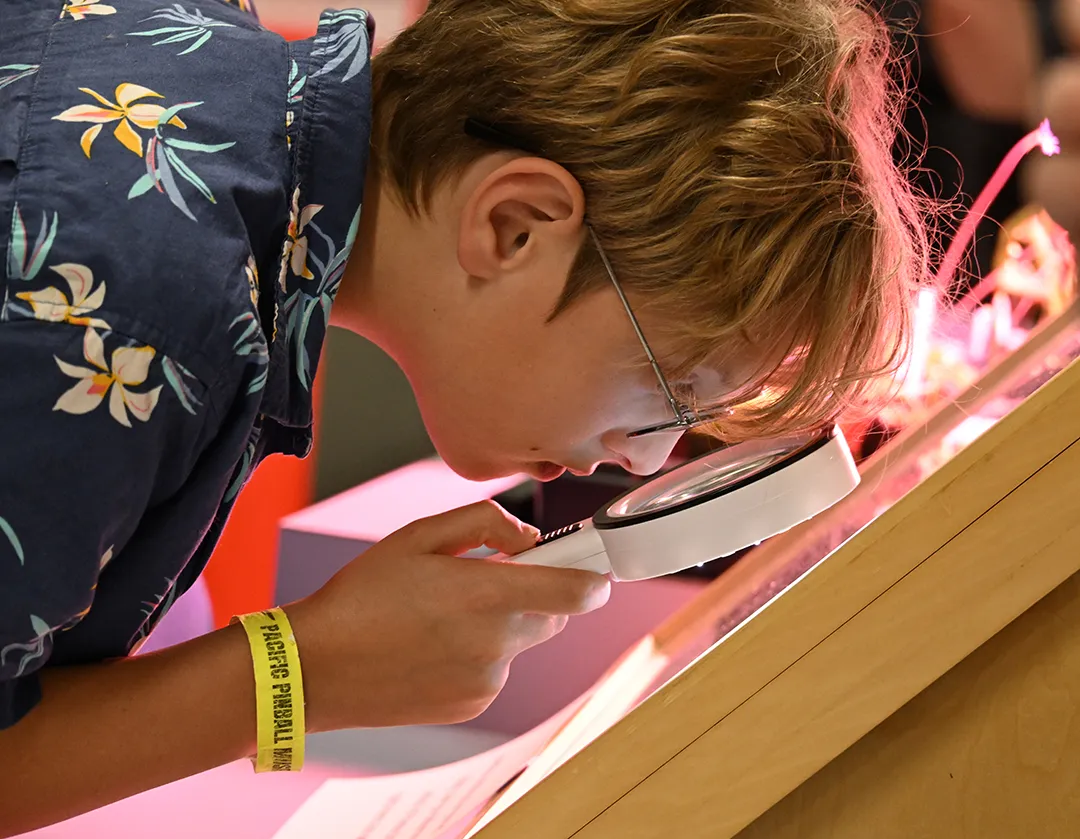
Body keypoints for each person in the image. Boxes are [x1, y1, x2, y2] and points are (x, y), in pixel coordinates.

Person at [0, 0, 928, 832]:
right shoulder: (134, 317)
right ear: (513, 224)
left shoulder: (202, 109)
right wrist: (297, 672)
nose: (644, 461)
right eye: (670, 390)